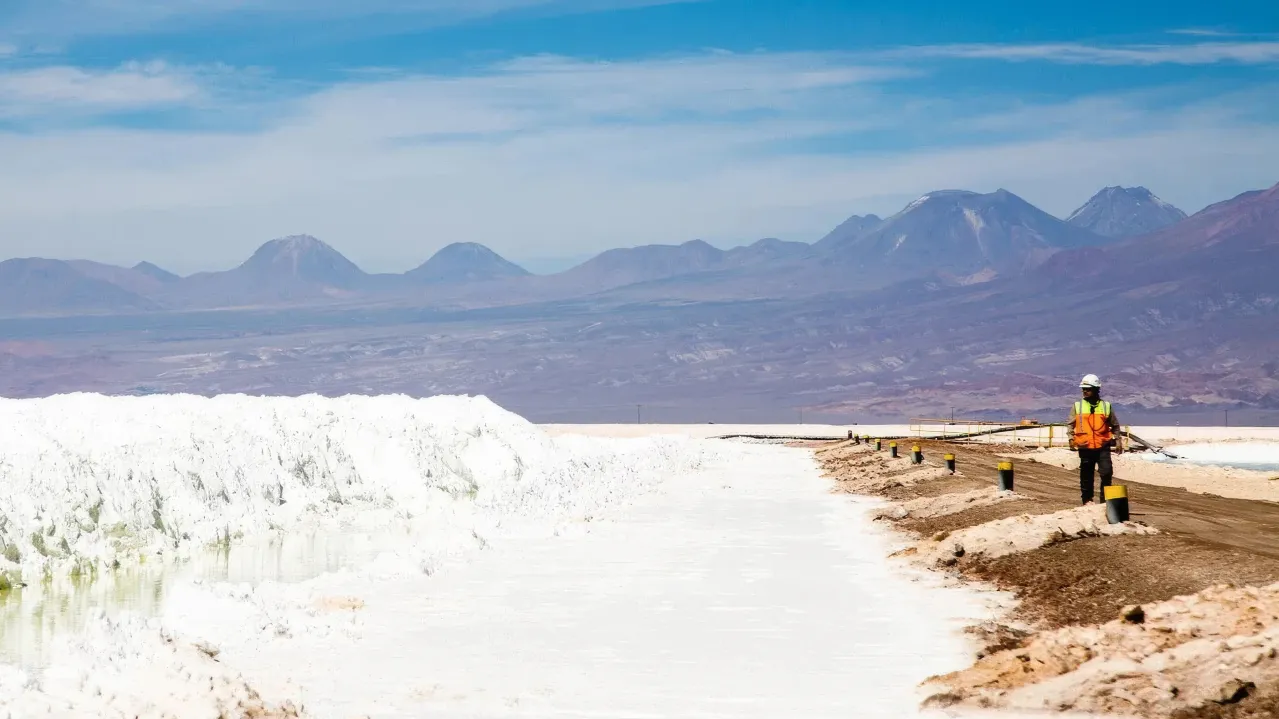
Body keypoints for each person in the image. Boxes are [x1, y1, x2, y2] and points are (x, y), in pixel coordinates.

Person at [1068, 374, 1122, 505]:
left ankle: (1105, 502)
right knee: (1086, 475)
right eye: (1083, 389)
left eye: (1088, 389)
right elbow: (1070, 423)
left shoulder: (1106, 406)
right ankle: (1087, 501)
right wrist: (1071, 438)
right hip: (1085, 446)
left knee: (1106, 472)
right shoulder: (1077, 406)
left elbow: (1115, 425)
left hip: (1102, 445)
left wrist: (1118, 440)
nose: (1085, 391)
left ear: (1096, 389)